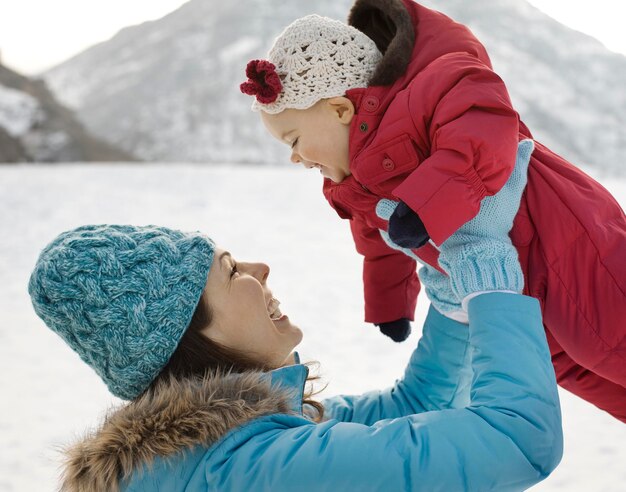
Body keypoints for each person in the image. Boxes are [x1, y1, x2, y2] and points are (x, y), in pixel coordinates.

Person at [29, 151, 562, 491]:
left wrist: (452, 303)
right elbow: (515, 443)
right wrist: (491, 288)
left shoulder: (227, 440)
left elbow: (414, 409)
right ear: (188, 330)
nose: (260, 269)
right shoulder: (249, 468)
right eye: (230, 270)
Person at [239, 0, 626, 422]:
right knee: (572, 367)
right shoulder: (353, 184)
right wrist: (389, 303)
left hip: (567, 247)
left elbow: (481, 122)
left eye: (293, 140)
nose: (294, 158)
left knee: (607, 345)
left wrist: (426, 205)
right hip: (510, 285)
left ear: (339, 110)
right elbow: (381, 244)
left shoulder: (429, 92)